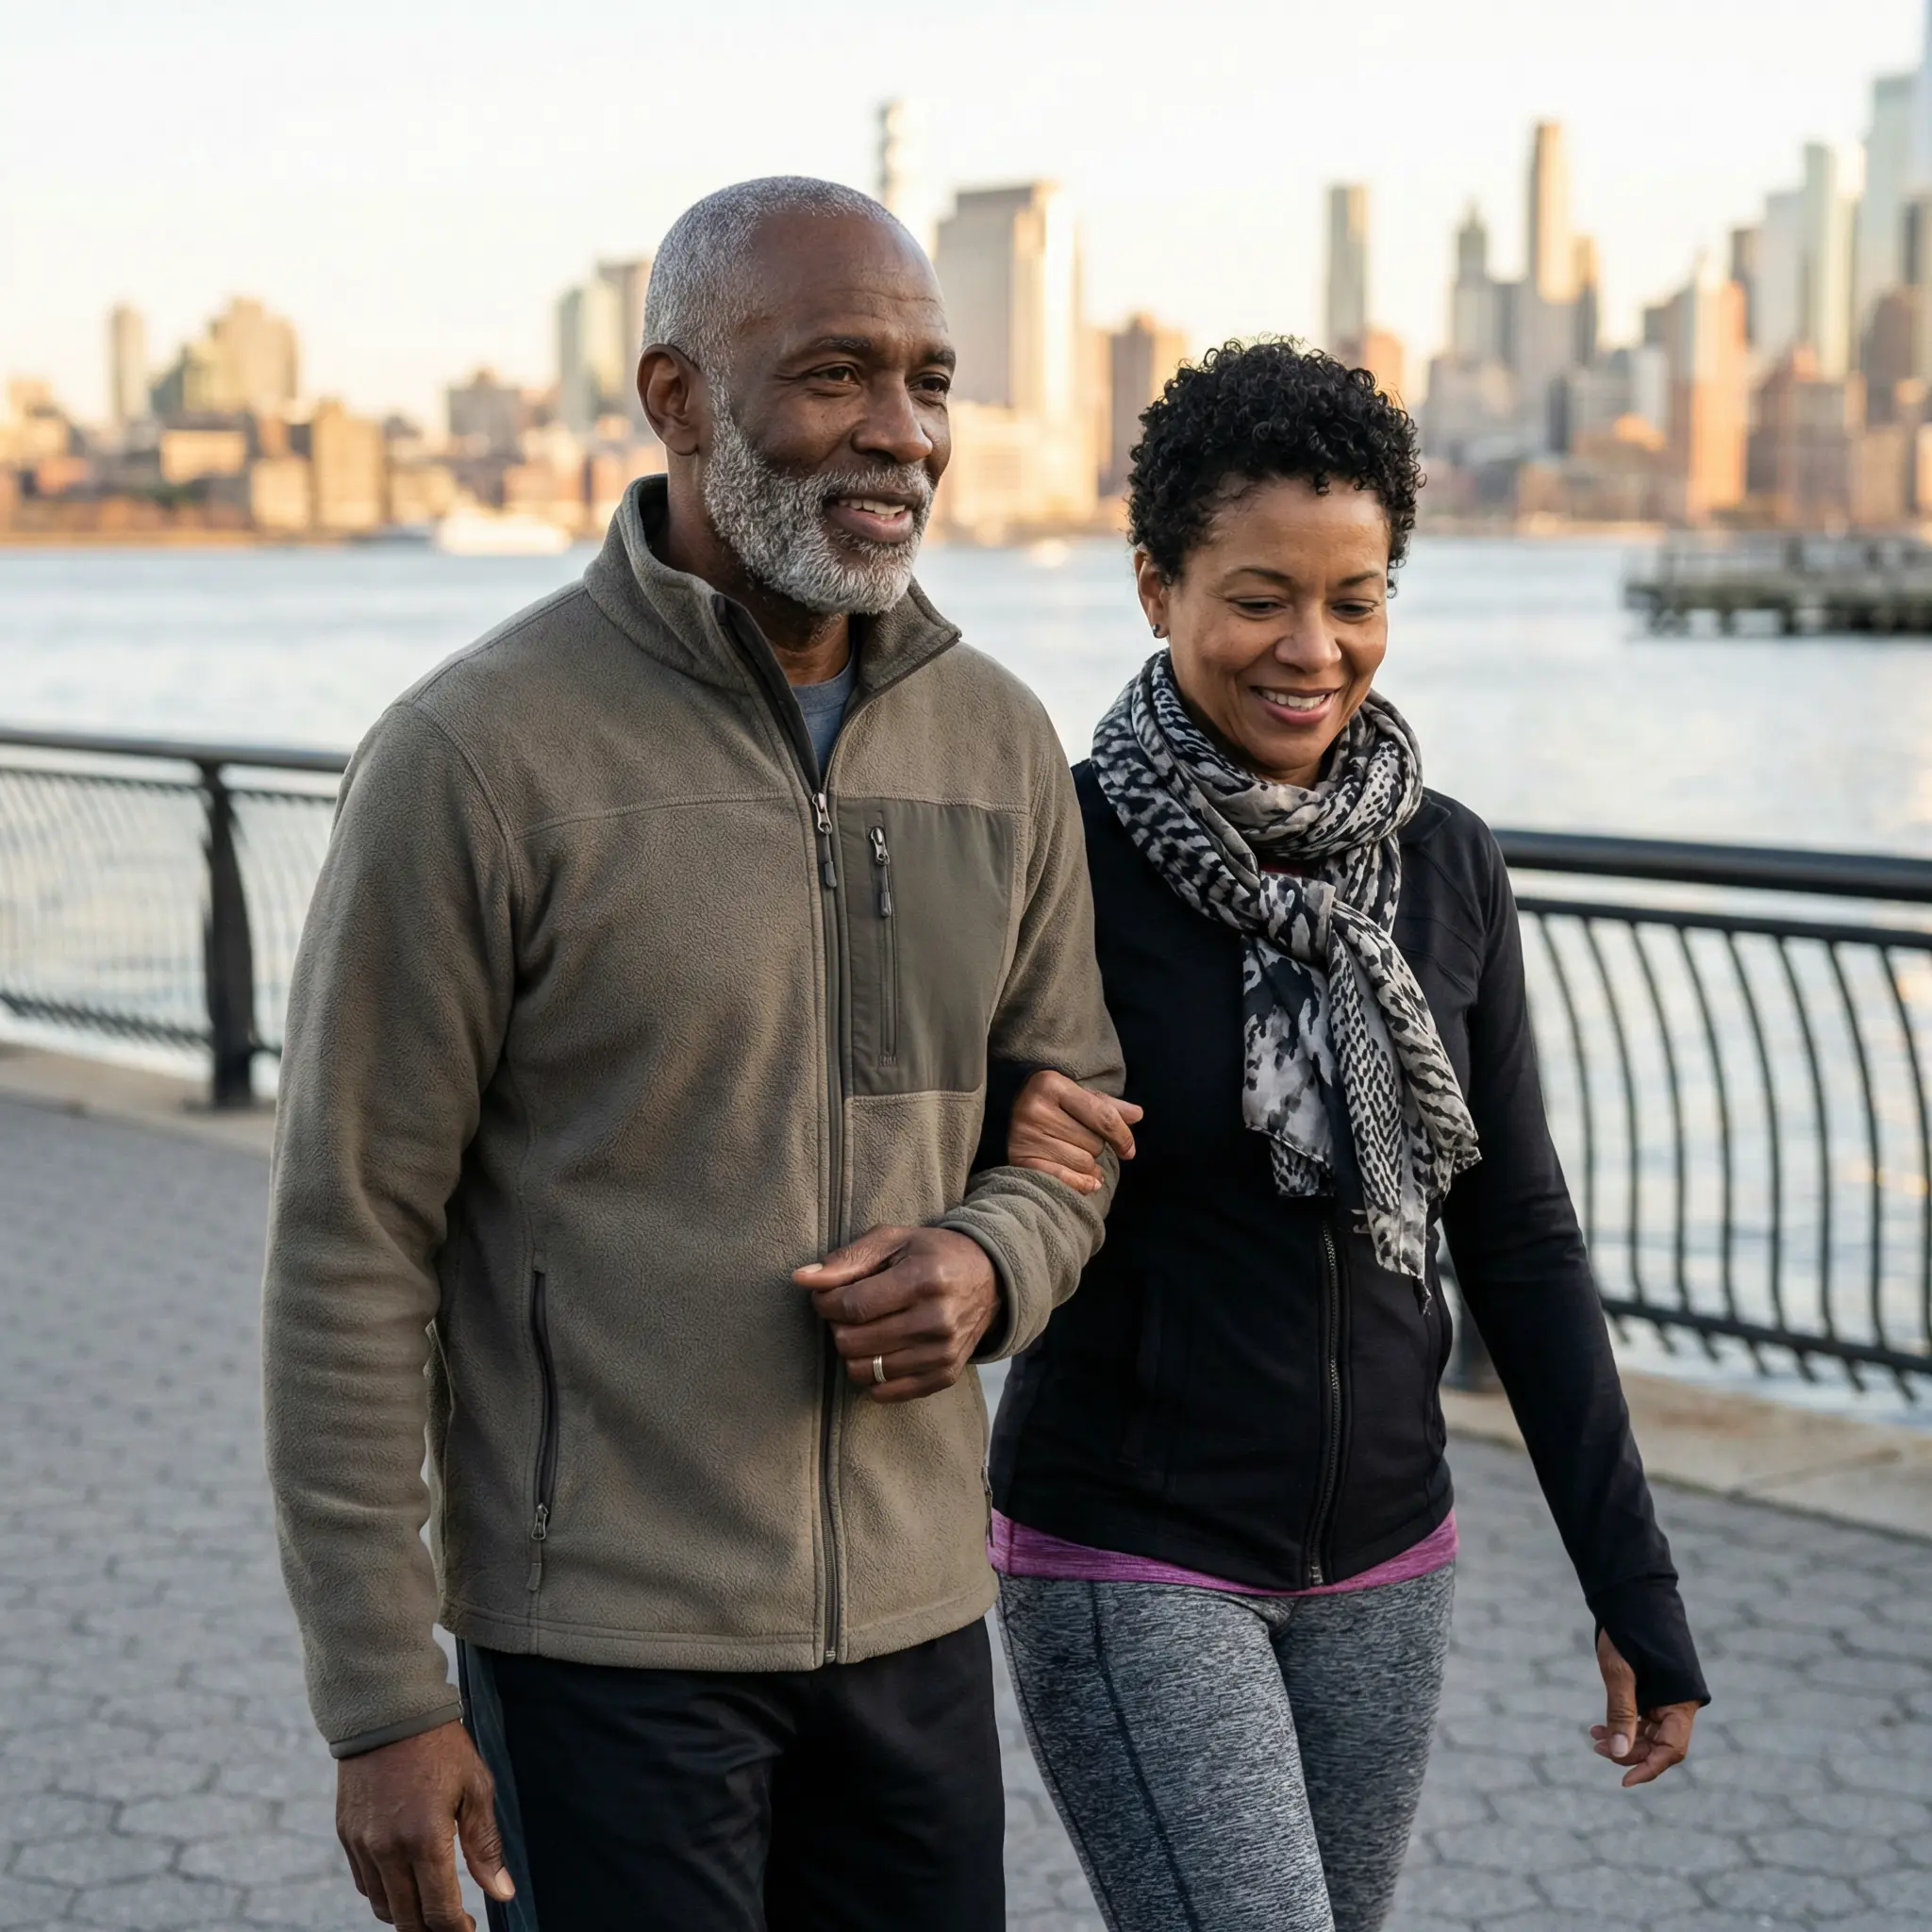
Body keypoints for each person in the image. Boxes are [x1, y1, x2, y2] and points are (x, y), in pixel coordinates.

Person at [262, 176, 1124, 1932]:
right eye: (835, 377)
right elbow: (351, 1243)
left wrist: (986, 1259)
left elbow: (1073, 1128)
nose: (900, 433)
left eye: (931, 381)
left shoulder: (1002, 744)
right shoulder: (474, 758)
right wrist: (381, 1698)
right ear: (675, 398)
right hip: (601, 1649)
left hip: (913, 1627)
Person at [984, 341, 1708, 1932]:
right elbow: (959, 1166)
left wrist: (1632, 1586)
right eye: (1259, 599)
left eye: (1357, 598)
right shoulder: (1062, 852)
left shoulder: (1446, 862)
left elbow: (1516, 1232)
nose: (1314, 649)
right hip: (1132, 1552)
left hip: (1391, 1556)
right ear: (1155, 586)